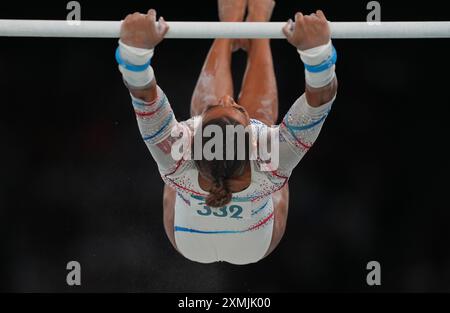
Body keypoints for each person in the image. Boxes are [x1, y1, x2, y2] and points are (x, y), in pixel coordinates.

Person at [115, 0, 338, 264]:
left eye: (217, 105)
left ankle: (228, 27)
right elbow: (321, 97)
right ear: (254, 150)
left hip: (188, 239)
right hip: (255, 243)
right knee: (262, 119)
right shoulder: (269, 160)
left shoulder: (178, 154)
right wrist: (316, 53)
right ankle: (258, 27)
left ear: (193, 146)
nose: (226, 97)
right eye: (236, 107)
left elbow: (141, 93)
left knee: (234, 127)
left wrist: (136, 50)